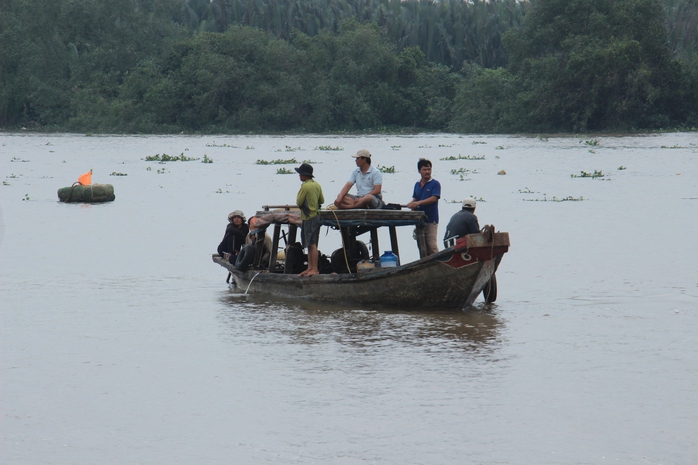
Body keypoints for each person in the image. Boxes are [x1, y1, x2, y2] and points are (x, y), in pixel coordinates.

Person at [295, 163, 324, 276]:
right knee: (312, 243)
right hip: (316, 216)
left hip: (308, 217)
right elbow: (321, 200)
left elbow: (299, 202)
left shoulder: (305, 186)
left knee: (311, 244)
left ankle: (314, 269)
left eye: (300, 174)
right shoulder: (317, 185)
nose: (299, 177)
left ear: (304, 175)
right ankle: (310, 268)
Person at [407, 158, 441, 255]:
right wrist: (412, 203)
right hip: (419, 220)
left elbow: (434, 198)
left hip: (431, 219)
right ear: (419, 171)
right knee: (421, 245)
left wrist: (418, 203)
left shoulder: (435, 183)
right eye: (424, 170)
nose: (427, 172)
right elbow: (415, 198)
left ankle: (439, 264)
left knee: (431, 245)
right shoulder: (417, 184)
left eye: (429, 169)